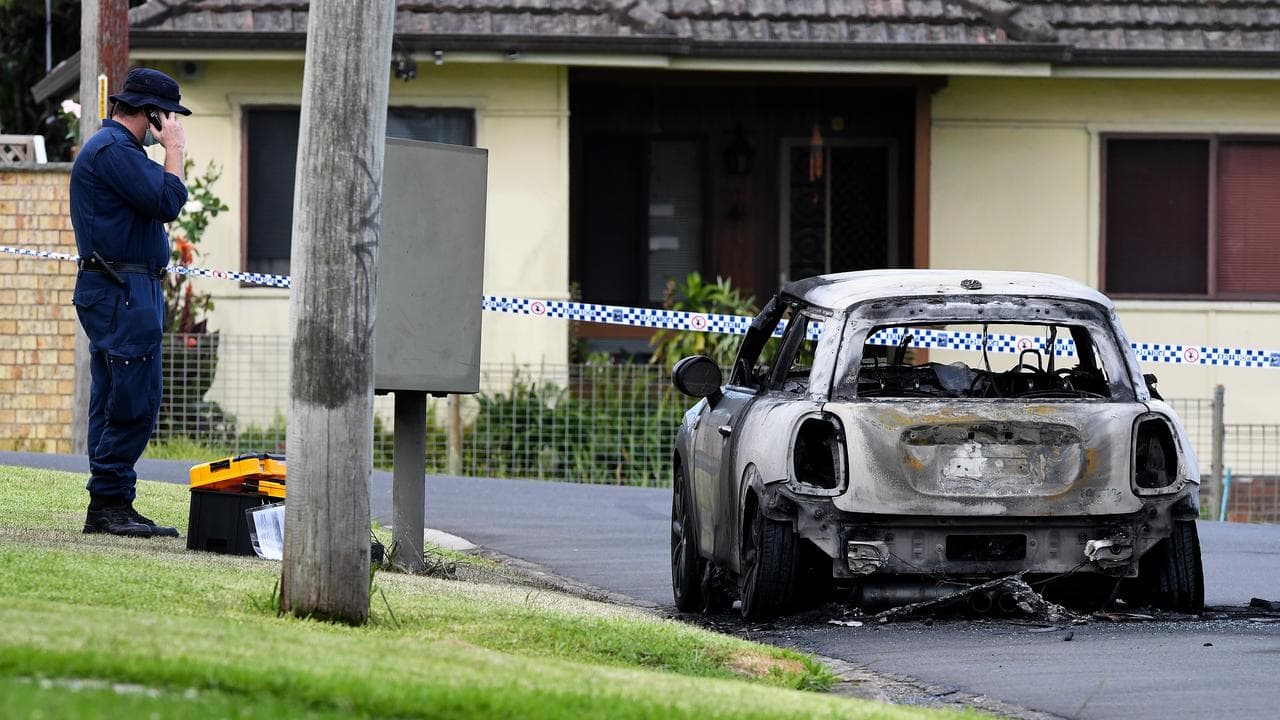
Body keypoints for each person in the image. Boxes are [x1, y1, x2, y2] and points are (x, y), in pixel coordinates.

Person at [69, 68, 190, 538]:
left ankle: (112, 501)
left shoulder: (114, 151)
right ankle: (109, 505)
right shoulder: (116, 151)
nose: (172, 126)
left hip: (121, 288)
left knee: (116, 394)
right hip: (123, 290)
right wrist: (175, 150)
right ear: (152, 113)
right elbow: (168, 200)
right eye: (169, 117)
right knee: (132, 398)